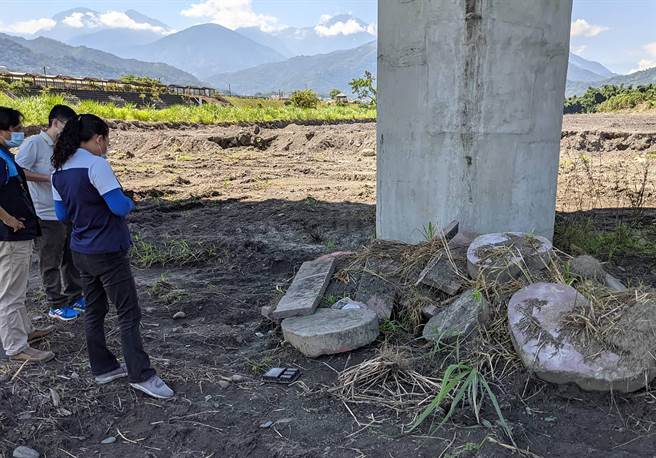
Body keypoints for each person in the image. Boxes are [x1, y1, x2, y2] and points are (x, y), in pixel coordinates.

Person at [51, 114, 173, 399]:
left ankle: (103, 367)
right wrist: (130, 200)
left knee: (94, 310)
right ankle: (141, 375)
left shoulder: (58, 169)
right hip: (107, 251)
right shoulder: (96, 166)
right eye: (106, 140)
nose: (106, 146)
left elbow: (61, 214)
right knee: (128, 313)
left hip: (80, 250)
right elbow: (118, 206)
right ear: (97, 138)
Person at [17, 105, 84, 322]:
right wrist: (49, 179)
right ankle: (56, 304)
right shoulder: (33, 144)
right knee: (50, 260)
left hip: (65, 211)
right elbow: (18, 172)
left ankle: (75, 296)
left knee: (70, 257)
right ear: (56, 122)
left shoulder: (63, 145)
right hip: (45, 213)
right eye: (67, 126)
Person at [0, 107, 55, 363]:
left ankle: (24, 332)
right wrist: (9, 219)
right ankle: (16, 346)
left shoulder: (5, 155)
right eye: (15, 129)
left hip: (19, 232)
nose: (20, 134)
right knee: (10, 292)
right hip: (10, 235)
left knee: (18, 287)